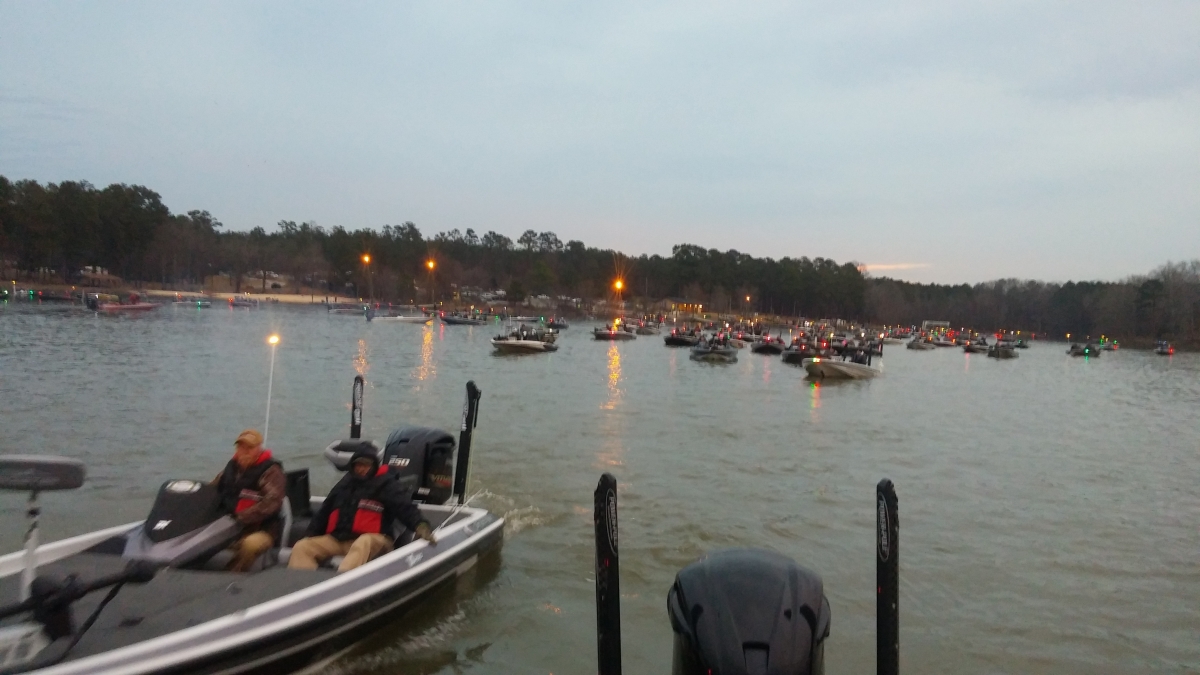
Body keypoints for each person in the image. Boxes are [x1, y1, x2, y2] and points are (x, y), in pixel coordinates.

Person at [288, 445, 437, 573]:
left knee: (363, 542)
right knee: (303, 546)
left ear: (374, 465)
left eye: (366, 465)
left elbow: (405, 507)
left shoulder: (386, 484)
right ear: (353, 466)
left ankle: (340, 586)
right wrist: (310, 534)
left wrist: (420, 525)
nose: (362, 469)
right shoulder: (344, 484)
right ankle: (299, 589)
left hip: (376, 539)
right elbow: (324, 512)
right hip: (339, 540)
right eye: (358, 465)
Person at [212, 429, 286, 572]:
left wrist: (239, 518)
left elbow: (272, 503)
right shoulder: (230, 469)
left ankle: (231, 577)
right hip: (229, 527)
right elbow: (211, 490)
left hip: (261, 530)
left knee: (250, 545)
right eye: (241, 447)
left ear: (259, 449)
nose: (244, 451)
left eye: (249, 448)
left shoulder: (272, 472)